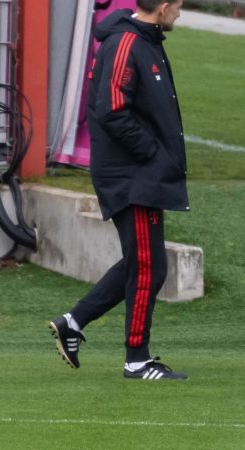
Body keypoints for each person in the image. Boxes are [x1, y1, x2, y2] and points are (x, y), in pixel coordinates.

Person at [49, 0, 189, 380]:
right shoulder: (126, 43)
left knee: (141, 261)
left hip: (139, 172)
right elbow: (112, 111)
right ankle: (137, 360)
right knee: (148, 266)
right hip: (133, 175)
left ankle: (73, 322)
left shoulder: (145, 39)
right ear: (161, 7)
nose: (180, 11)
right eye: (177, 5)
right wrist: (154, 156)